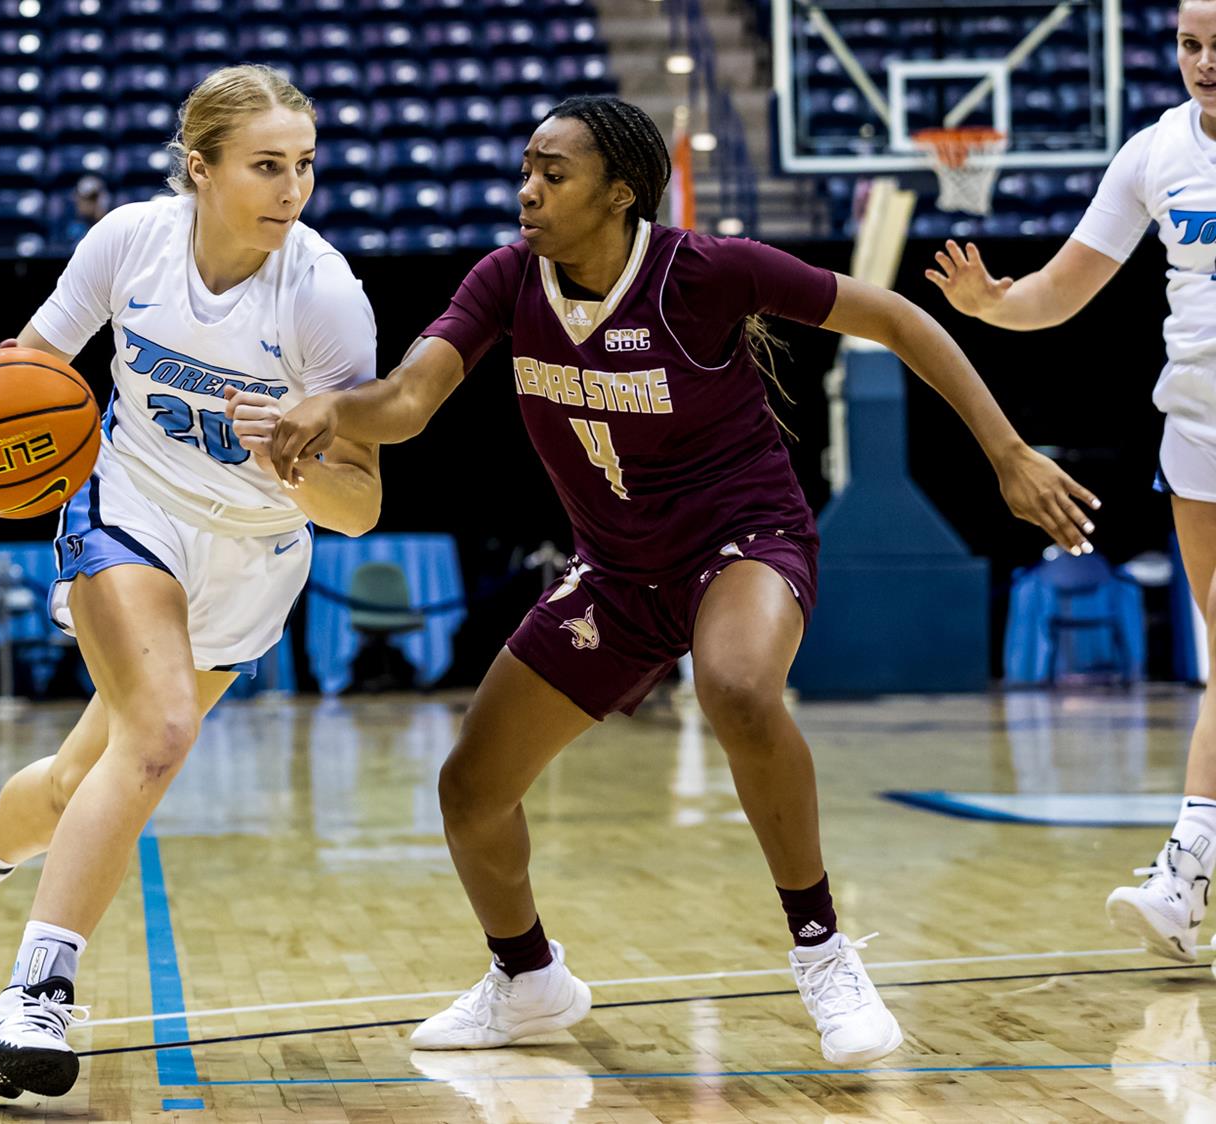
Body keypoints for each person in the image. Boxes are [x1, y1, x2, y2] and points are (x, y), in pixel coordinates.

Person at [264, 95, 1097, 1067]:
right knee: (467, 789)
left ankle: (823, 949)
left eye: (553, 174)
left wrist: (1003, 451)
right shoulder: (505, 281)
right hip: (614, 571)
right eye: (524, 169)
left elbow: (896, 317)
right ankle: (527, 978)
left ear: (620, 194)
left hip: (740, 539)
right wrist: (336, 411)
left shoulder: (703, 273)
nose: (526, 191)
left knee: (736, 685)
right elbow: (408, 401)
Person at [0, 65, 384, 1100]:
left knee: (82, 780)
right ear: (198, 169)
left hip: (253, 554)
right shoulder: (129, 241)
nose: (289, 188)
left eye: (302, 166)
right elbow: (32, 363)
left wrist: (295, 466)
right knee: (157, 733)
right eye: (264, 165)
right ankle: (36, 995)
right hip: (128, 509)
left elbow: (361, 504)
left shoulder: (324, 295)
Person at [925, 0, 1216, 965]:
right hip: (1197, 434)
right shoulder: (1152, 154)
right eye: (1189, 43)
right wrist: (991, 305)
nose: (1204, 62)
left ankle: (1186, 872)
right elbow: (1063, 287)